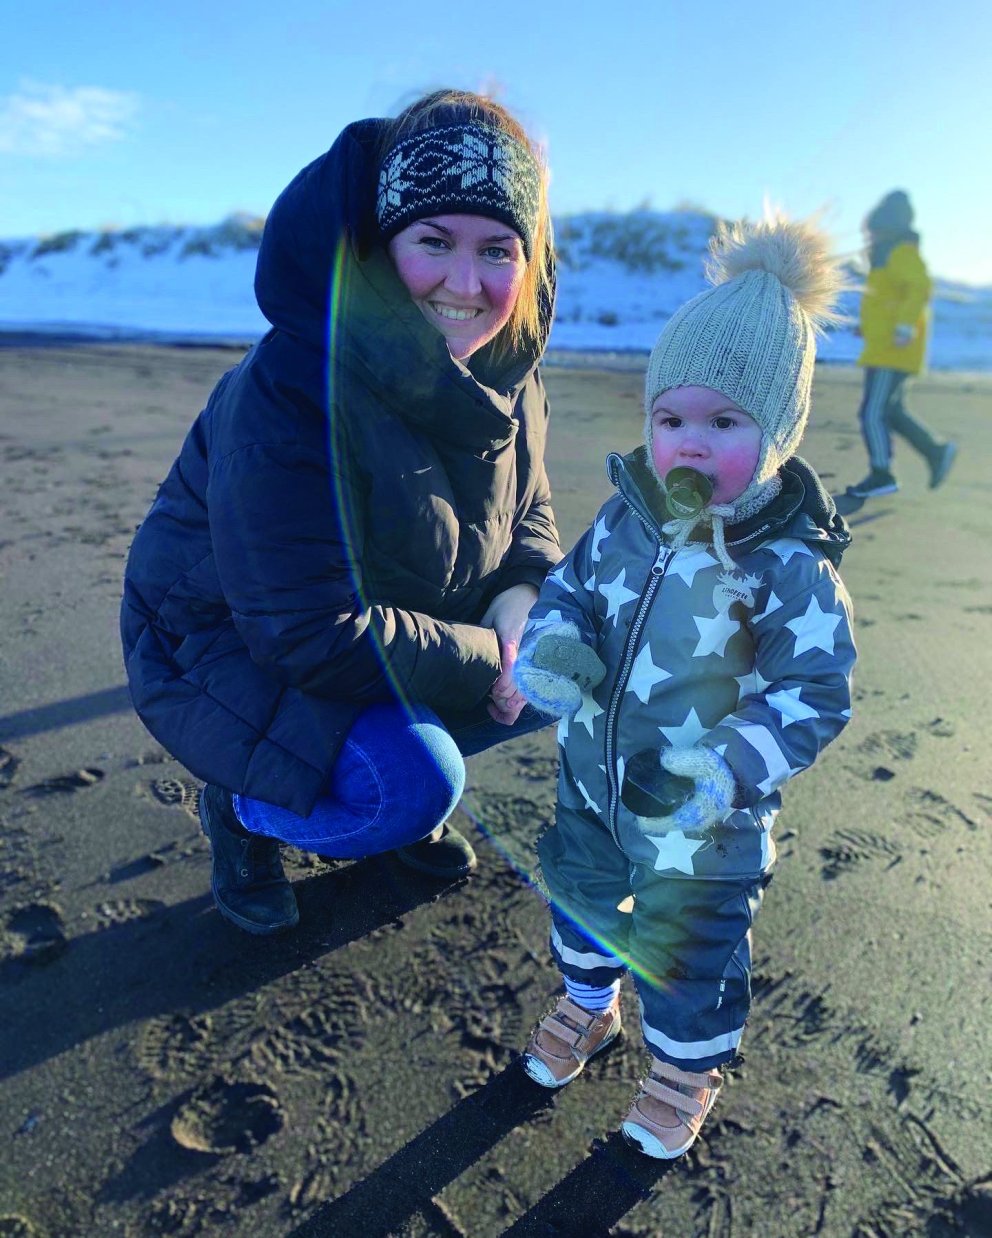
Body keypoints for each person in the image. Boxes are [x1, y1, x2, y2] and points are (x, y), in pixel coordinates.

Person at [120, 89, 561, 935]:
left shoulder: (510, 368)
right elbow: (307, 632)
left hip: (389, 614)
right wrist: (491, 661)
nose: (466, 284)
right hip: (226, 637)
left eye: (497, 250)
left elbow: (528, 509)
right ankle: (243, 808)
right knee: (409, 784)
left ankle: (395, 741)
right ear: (380, 241)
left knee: (571, 658)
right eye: (434, 242)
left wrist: (524, 600)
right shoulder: (289, 389)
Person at [511, 214, 857, 1159]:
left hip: (703, 823)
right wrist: (555, 648)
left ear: (777, 434)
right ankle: (589, 1005)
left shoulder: (790, 567)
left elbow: (816, 691)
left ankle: (682, 1068)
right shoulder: (622, 522)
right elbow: (567, 593)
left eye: (723, 423)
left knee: (691, 948)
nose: (690, 445)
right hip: (594, 787)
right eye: (671, 421)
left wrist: (727, 767)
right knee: (581, 903)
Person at [846, 189, 956, 498]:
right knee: (891, 411)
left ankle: (882, 474)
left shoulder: (900, 252)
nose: (871, 236)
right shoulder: (884, 257)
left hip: (893, 350)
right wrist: (866, 327)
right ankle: (936, 451)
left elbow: (919, 288)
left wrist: (905, 327)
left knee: (872, 413)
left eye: (875, 230)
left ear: (888, 227)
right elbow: (884, 301)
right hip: (885, 346)